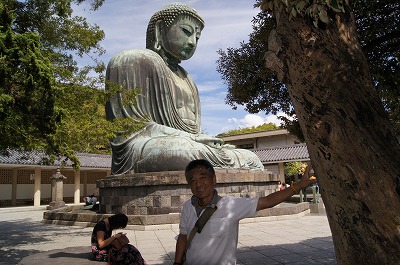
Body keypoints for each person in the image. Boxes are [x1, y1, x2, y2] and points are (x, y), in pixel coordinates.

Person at [105, 2, 263, 174]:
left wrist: (197, 139)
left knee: (248, 156)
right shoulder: (132, 60)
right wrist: (191, 138)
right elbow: (134, 128)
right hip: (145, 147)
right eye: (186, 32)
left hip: (188, 144)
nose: (192, 42)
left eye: (197, 38)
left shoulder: (188, 79)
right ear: (159, 29)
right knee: (184, 152)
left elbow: (195, 131)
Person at [173, 159, 317, 265]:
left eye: (203, 178)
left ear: (214, 179)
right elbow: (183, 237)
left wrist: (298, 186)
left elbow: (266, 201)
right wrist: (177, 263)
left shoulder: (231, 204)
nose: (198, 184)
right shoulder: (187, 207)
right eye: (193, 181)